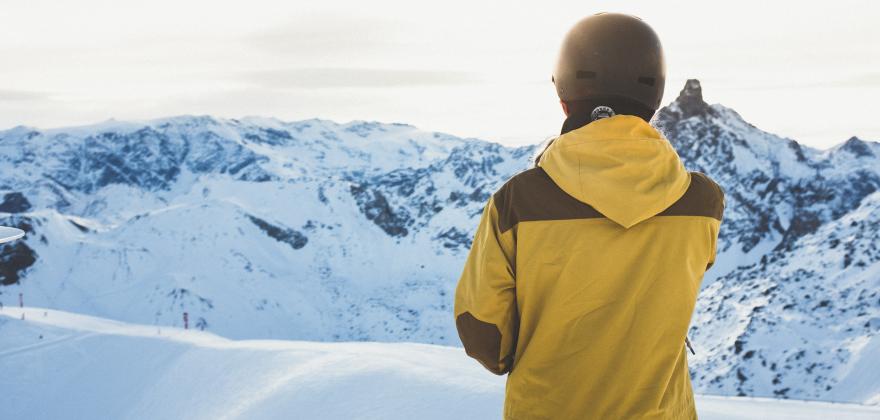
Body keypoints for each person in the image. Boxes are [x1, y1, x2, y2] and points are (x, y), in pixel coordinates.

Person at [454, 12, 724, 419]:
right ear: (654, 99)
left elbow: (485, 338)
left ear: (563, 96)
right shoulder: (701, 203)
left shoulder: (517, 203)